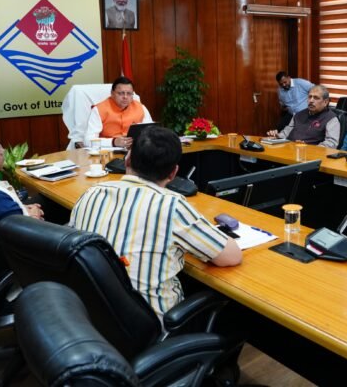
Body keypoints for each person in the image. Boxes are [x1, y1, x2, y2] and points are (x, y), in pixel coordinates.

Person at [69, 126, 242, 318]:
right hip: (150, 326)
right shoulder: (171, 205)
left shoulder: (91, 194)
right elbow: (231, 257)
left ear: (127, 160)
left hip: (90, 317)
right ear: (173, 173)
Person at [267, 85, 341, 148]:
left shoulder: (331, 118)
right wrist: (277, 136)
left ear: (325, 102)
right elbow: (286, 133)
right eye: (310, 97)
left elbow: (332, 143)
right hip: (289, 150)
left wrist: (310, 149)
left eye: (316, 98)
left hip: (311, 156)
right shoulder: (298, 115)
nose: (311, 100)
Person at [85, 77, 149, 148]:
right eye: (121, 93)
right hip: (108, 150)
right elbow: (88, 140)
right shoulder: (99, 109)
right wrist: (113, 142)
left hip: (135, 149)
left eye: (129, 93)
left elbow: (150, 132)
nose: (125, 97)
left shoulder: (141, 108)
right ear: (112, 93)